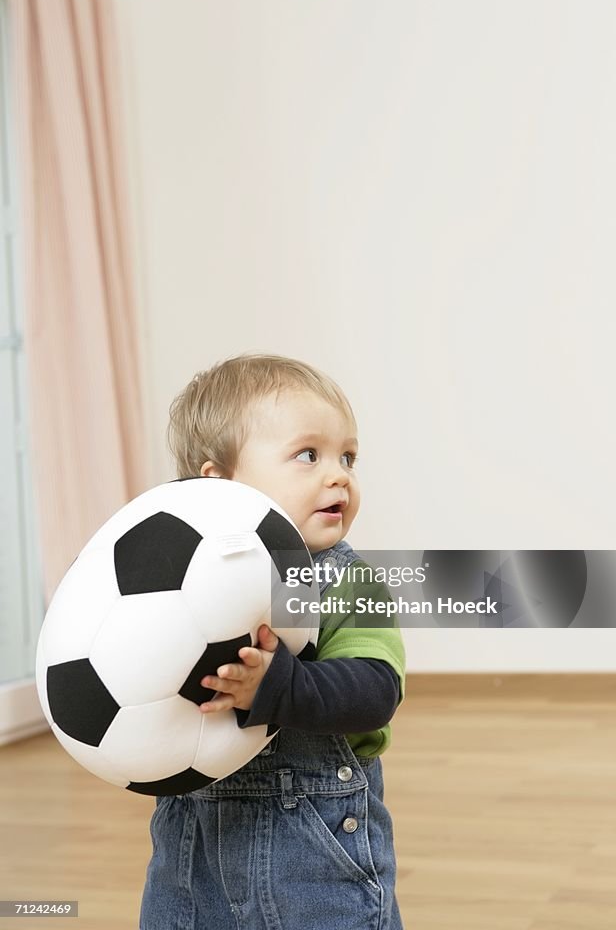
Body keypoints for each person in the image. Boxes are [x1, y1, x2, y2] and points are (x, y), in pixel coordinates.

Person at [139, 352, 406, 930]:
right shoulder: (170, 583)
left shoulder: (343, 579)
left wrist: (278, 683)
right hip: (189, 865)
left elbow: (374, 690)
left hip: (313, 863)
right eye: (308, 455)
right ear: (219, 486)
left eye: (348, 457)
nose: (338, 475)